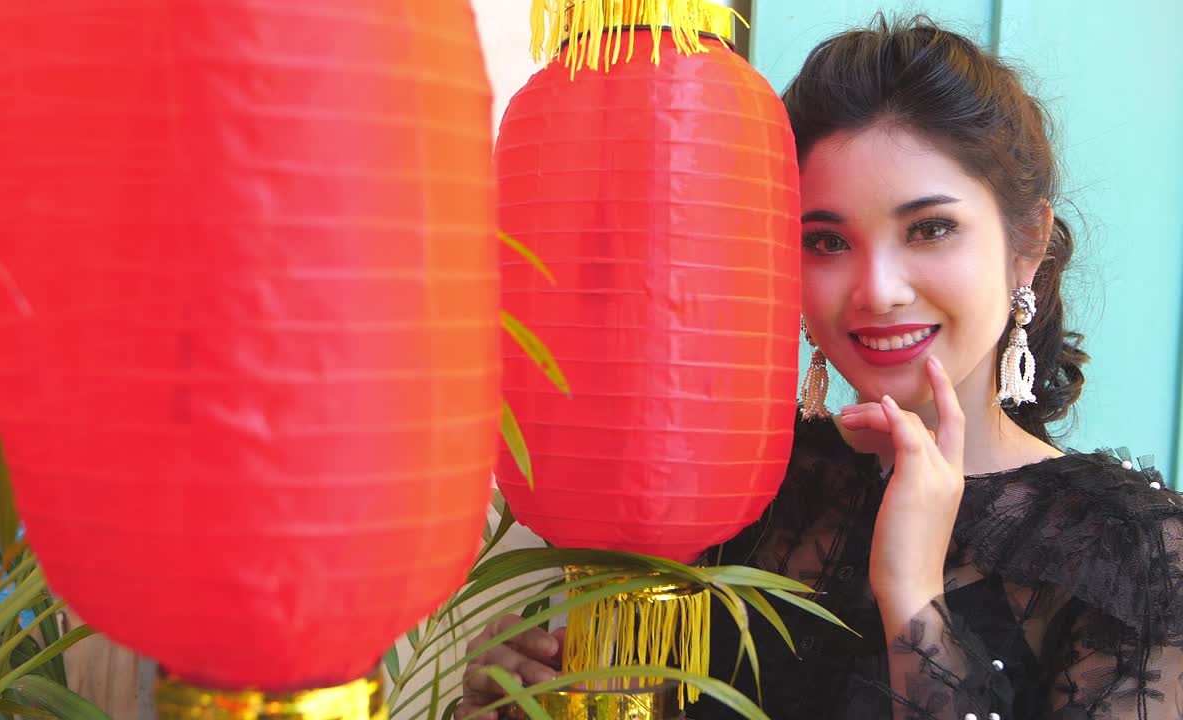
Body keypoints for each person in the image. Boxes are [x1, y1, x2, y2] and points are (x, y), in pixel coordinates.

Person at [457, 15, 1183, 720]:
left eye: (930, 229)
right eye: (827, 242)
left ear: (1028, 244)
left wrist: (913, 599)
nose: (878, 290)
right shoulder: (722, 486)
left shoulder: (1133, 558)